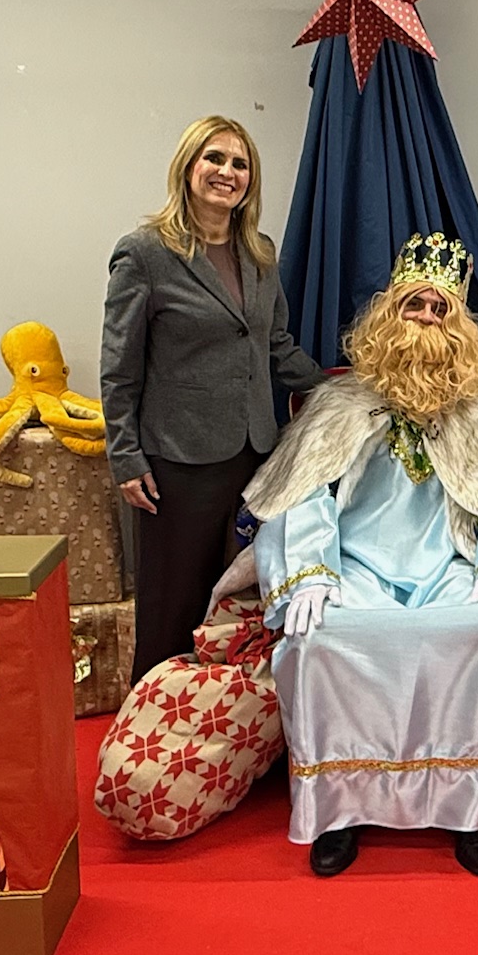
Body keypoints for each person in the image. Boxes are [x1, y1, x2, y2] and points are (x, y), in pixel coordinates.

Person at [243, 233, 478, 878]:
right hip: (355, 567)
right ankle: (340, 809)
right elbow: (304, 493)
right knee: (320, 639)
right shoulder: (341, 401)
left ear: (458, 325)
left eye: (439, 308)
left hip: (451, 564)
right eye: (413, 305)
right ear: (388, 314)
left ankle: (468, 808)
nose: (424, 318)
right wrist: (309, 571)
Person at [101, 115, 324, 682]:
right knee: (173, 604)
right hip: (178, 462)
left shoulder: (260, 252)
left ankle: (218, 715)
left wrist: (340, 387)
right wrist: (125, 457)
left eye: (240, 163)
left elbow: (274, 345)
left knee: (237, 603)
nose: (227, 172)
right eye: (215, 158)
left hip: (254, 456)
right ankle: (153, 713)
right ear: (188, 167)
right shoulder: (144, 253)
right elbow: (119, 368)